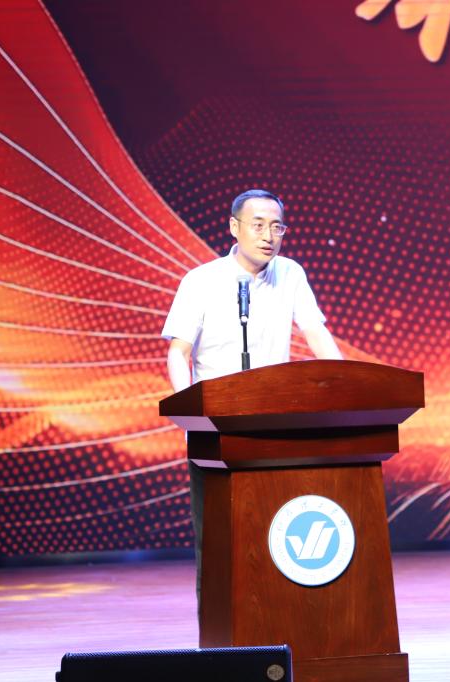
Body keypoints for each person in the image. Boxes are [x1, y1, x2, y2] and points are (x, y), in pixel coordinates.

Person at [161, 189, 342, 606]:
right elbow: (178, 352)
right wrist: (191, 417)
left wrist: (345, 382)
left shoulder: (290, 274)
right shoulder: (201, 281)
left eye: (277, 227)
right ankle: (219, 631)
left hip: (273, 430)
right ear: (234, 227)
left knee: (275, 533)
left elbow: (315, 332)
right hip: (214, 432)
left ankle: (276, 624)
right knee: (218, 539)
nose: (268, 236)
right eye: (258, 225)